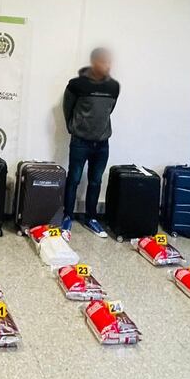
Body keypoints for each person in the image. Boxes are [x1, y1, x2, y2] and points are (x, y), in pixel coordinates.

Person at [62, 47, 121, 237]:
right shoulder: (76, 85)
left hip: (102, 144)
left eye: (109, 62)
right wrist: (73, 127)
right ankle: (67, 217)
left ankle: (91, 218)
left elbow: (109, 110)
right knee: (74, 180)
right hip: (80, 141)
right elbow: (67, 108)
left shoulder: (114, 86)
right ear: (94, 62)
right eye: (104, 61)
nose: (108, 65)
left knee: (95, 181)